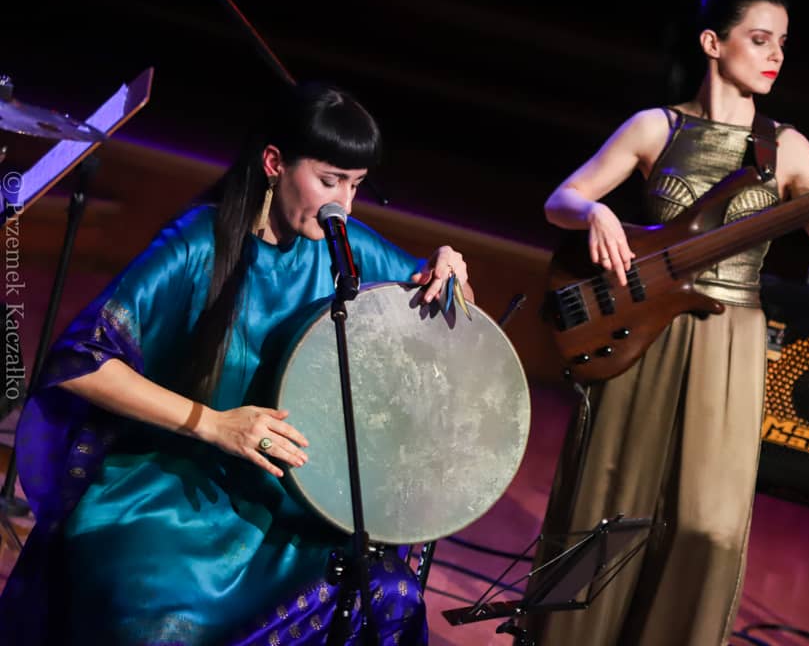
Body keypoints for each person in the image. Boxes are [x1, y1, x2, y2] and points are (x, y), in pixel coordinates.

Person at [530, 0, 809, 646]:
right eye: (760, 39)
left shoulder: (790, 149)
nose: (776, 55)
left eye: (783, 44)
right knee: (606, 498)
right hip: (644, 330)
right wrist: (596, 211)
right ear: (713, 43)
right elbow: (560, 200)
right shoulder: (656, 127)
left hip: (731, 341)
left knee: (706, 524)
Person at [0, 81, 473, 645]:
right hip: (171, 487)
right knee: (162, 625)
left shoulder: (342, 245)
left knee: (391, 596)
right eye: (330, 181)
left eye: (356, 185)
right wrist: (216, 424)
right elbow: (81, 363)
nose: (343, 205)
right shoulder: (197, 244)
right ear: (274, 163)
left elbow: (440, 305)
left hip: (288, 501)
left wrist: (448, 267)